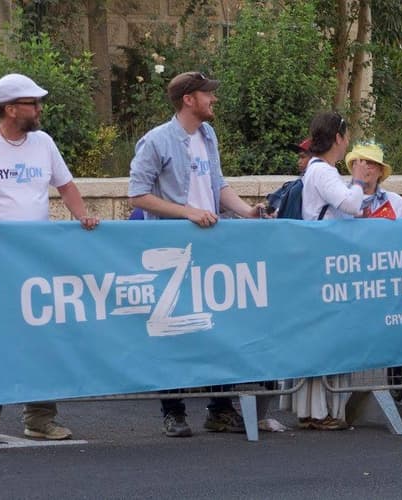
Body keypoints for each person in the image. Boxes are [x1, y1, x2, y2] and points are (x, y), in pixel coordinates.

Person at [129, 71, 266, 437]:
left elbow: (218, 185)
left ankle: (219, 408)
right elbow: (138, 194)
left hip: (211, 249)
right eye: (208, 94)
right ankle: (172, 411)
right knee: (172, 333)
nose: (214, 100)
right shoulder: (156, 141)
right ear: (189, 99)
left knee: (217, 327)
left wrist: (247, 211)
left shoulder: (208, 135)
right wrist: (188, 211)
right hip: (172, 253)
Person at [0, 73, 100, 440]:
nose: (39, 109)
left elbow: (65, 185)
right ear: (10, 108)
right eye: (32, 103)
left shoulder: (44, 143)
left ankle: (39, 419)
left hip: (37, 260)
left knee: (43, 336)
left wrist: (82, 215)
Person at [292, 111, 366, 430]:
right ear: (338, 138)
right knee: (329, 335)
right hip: (325, 263)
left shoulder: (318, 171)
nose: (348, 141)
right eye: (345, 135)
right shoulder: (323, 172)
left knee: (321, 335)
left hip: (321, 260)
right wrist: (361, 182)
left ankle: (316, 408)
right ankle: (321, 411)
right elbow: (351, 205)